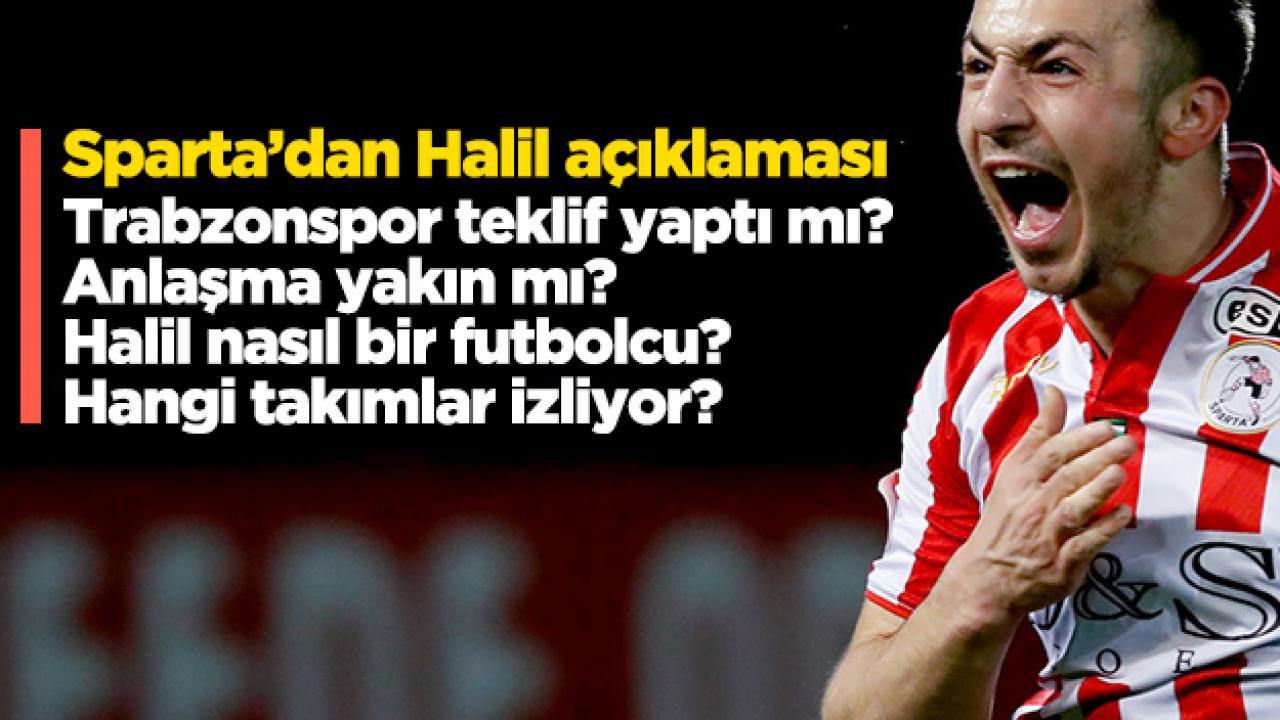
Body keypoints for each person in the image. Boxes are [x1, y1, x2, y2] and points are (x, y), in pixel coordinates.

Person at [821, 1, 1280, 718]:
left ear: (1189, 115)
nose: (992, 111)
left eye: (1055, 68)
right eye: (978, 67)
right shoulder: (984, 347)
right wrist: (982, 586)